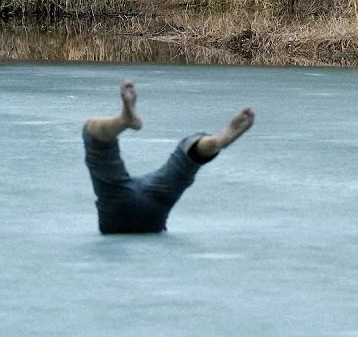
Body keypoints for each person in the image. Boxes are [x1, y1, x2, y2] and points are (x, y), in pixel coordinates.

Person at [82, 80, 255, 234]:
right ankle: (215, 142)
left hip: (114, 213)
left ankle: (122, 121)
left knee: (92, 136)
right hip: (155, 213)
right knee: (185, 157)